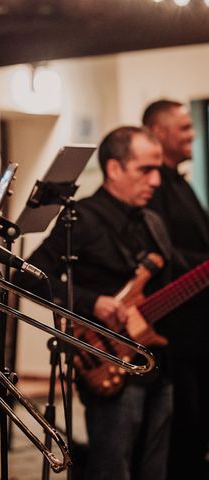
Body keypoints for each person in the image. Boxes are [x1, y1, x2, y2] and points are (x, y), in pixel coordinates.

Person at [15, 126, 178, 480]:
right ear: (115, 169)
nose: (155, 181)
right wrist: (94, 303)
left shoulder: (152, 221)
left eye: (158, 170)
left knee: (155, 468)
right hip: (105, 359)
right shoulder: (82, 218)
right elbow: (29, 276)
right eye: (145, 170)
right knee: (112, 467)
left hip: (158, 361)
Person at [142, 100, 209, 479]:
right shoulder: (156, 189)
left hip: (200, 326)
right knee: (184, 429)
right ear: (158, 132)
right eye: (184, 128)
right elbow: (163, 253)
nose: (192, 134)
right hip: (176, 330)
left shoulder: (180, 180)